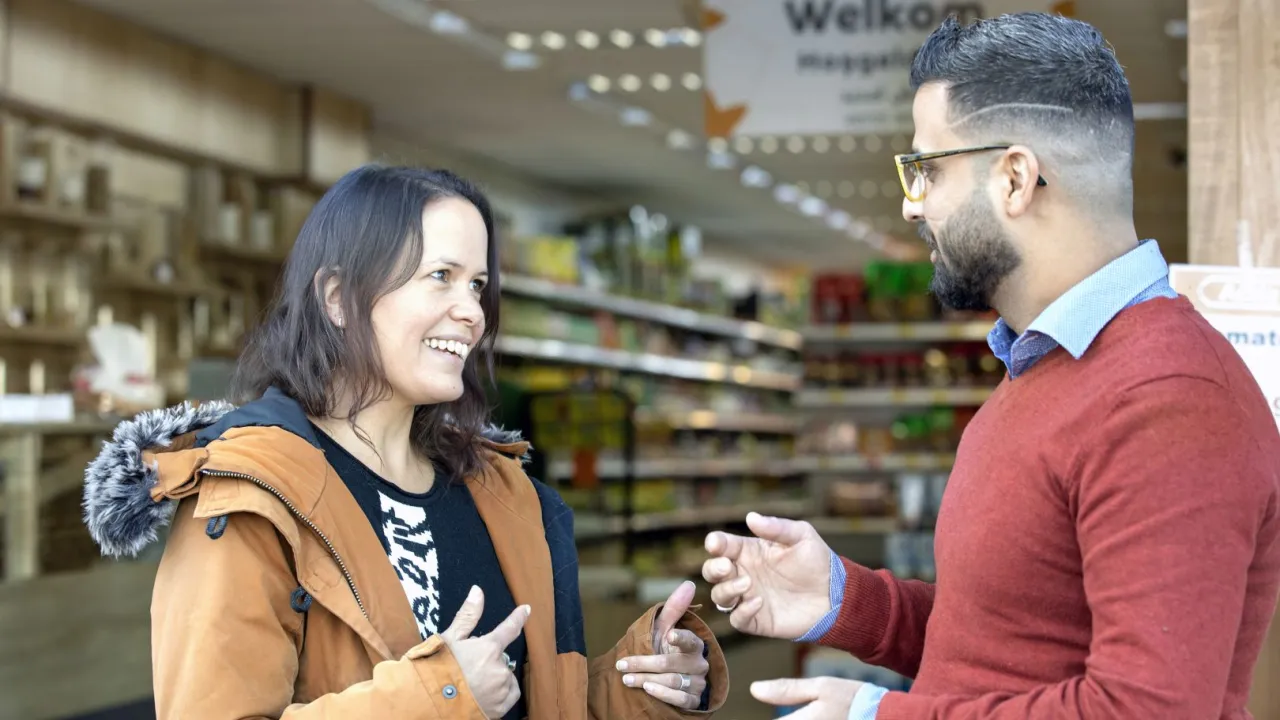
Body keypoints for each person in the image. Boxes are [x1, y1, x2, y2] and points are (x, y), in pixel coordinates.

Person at [703, 12, 1280, 720]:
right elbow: (1005, 644)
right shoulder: (1040, 369)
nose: (912, 206)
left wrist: (878, 717)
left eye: (927, 170)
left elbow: (1146, 709)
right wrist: (843, 600)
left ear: (1014, 177)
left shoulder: (1170, 399)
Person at [81, 165, 729, 719]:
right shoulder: (250, 498)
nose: (472, 311)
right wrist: (441, 695)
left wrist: (642, 682)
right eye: (441, 275)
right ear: (337, 297)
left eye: (476, 283)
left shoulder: (501, 494)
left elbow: (536, 702)